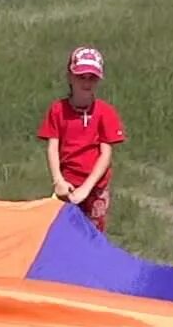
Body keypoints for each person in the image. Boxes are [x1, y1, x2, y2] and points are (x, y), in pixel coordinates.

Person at [38, 46, 126, 231]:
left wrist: (87, 188)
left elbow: (105, 154)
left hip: (95, 187)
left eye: (92, 78)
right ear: (70, 77)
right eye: (81, 77)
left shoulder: (105, 112)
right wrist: (58, 181)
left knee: (93, 235)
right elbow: (53, 147)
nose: (86, 82)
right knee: (63, 232)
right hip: (66, 185)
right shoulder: (57, 110)